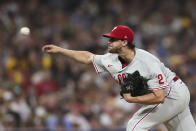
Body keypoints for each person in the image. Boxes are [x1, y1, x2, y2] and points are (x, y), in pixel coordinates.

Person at [42, 25, 196, 131]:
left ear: (124, 42)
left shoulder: (146, 61)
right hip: (172, 97)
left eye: (113, 39)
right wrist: (61, 50)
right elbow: (88, 58)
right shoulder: (111, 59)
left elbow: (160, 97)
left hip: (172, 93)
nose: (109, 41)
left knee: (135, 125)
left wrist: (132, 99)